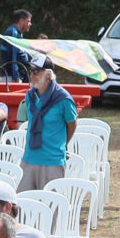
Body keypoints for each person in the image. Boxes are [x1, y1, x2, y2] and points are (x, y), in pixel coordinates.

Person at [18, 64, 77, 192]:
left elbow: (71, 125)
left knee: (50, 203)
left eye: (36, 72)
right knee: (23, 201)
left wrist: (62, 144)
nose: (31, 75)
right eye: (30, 71)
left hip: (52, 161)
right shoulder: (30, 95)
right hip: (28, 158)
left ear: (48, 75)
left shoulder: (64, 99)